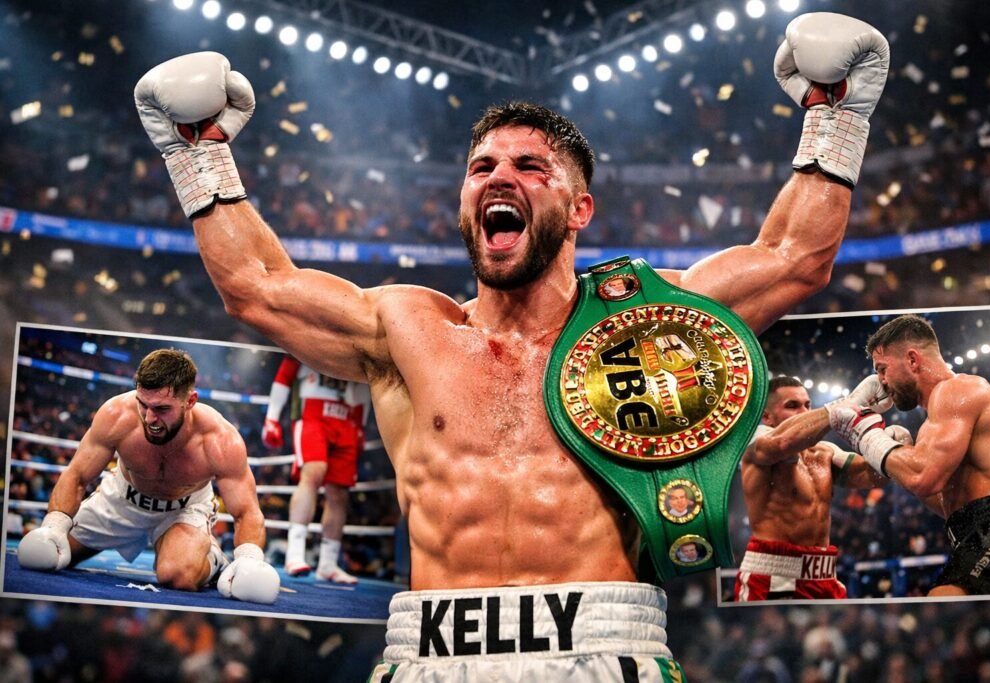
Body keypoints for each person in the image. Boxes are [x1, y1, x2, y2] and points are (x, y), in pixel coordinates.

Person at [134, 12, 888, 680]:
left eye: (531, 167)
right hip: (429, 650)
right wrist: (200, 152)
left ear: (579, 207)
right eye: (483, 168)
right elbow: (258, 286)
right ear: (465, 204)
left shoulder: (655, 319)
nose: (502, 177)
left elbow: (794, 256)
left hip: (603, 642)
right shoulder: (406, 328)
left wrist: (836, 114)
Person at [17, 349, 279, 604]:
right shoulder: (116, 415)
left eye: (162, 409)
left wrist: (248, 559)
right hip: (119, 500)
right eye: (143, 404)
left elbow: (246, 510)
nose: (150, 418)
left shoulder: (220, 440)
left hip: (183, 509)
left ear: (190, 401)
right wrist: (54, 527)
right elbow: (76, 476)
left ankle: (214, 562)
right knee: (47, 554)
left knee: (180, 575)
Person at [827, 313, 990, 596]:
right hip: (975, 531)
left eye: (882, 368)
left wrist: (866, 435)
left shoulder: (958, 390)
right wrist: (902, 454)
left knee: (942, 600)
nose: (881, 381)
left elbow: (923, 478)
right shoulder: (934, 420)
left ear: (912, 359)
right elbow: (942, 502)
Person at [735, 376, 897, 601]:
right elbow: (782, 443)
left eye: (807, 405)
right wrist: (842, 406)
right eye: (792, 406)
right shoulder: (755, 444)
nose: (803, 412)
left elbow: (873, 477)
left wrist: (890, 447)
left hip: (825, 574)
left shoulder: (825, 452)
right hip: (774, 575)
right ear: (766, 416)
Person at [262, 354, 371, 583]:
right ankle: (295, 555)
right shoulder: (310, 335)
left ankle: (328, 564)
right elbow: (286, 373)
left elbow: (364, 384)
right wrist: (271, 418)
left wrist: (360, 425)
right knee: (313, 472)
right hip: (312, 412)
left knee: (340, 493)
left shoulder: (356, 340)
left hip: (348, 417)